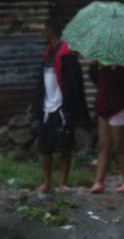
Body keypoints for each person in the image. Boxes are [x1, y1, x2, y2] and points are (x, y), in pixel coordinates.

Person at [35, 20, 89, 194]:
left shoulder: (67, 54)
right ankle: (47, 182)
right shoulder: (47, 54)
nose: (42, 32)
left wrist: (72, 109)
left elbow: (74, 84)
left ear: (51, 30)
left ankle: (63, 183)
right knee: (45, 148)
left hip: (62, 107)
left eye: (44, 28)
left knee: (64, 147)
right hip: (46, 107)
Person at [89, 61, 124, 194]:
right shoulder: (104, 64)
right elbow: (97, 81)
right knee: (103, 144)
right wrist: (93, 66)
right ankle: (99, 181)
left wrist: (122, 69)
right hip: (104, 106)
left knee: (120, 145)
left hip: (121, 107)